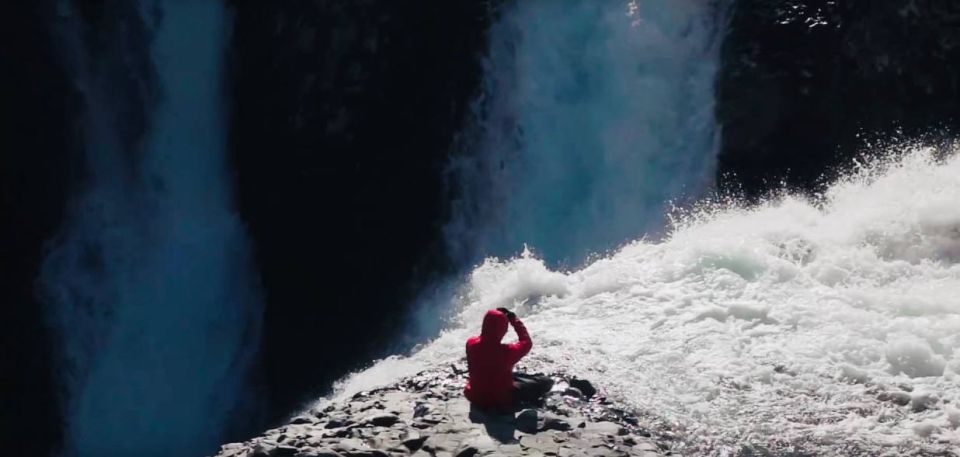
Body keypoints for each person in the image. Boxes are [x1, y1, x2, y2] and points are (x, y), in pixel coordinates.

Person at [464, 307, 554, 412]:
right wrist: (514, 320)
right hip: (500, 399)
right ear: (502, 329)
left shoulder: (471, 343)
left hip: (474, 395)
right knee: (546, 381)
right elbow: (526, 342)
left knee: (509, 373)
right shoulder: (507, 352)